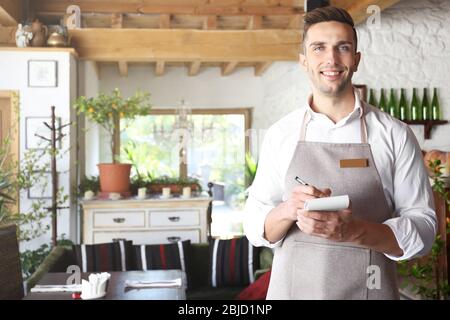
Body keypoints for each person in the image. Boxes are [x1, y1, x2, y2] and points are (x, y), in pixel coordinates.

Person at [243, 6, 436, 300]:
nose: (331, 59)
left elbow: (423, 228)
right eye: (318, 48)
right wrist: (289, 209)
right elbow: (255, 226)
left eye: (342, 47)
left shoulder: (395, 134)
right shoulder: (280, 134)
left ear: (356, 60)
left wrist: (353, 231)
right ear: (304, 61)